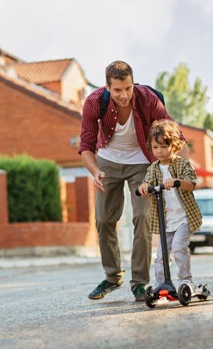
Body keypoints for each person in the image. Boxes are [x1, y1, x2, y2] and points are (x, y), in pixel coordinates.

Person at [79, 60, 188, 302]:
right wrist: (95, 171)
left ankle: (140, 282)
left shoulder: (147, 98)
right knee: (104, 220)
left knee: (141, 217)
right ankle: (112, 276)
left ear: (132, 83)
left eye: (127, 88)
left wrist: (182, 173)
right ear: (107, 87)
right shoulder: (94, 102)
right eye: (117, 90)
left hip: (141, 162)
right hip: (107, 161)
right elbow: (86, 146)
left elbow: (176, 133)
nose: (124, 95)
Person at [138, 120, 201, 289]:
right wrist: (144, 187)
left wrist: (177, 181)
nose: (159, 151)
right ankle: (161, 285)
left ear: (173, 145)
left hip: (184, 218)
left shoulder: (182, 164)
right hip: (166, 221)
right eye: (155, 147)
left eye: (163, 147)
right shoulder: (153, 168)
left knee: (179, 247)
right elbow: (147, 182)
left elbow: (191, 183)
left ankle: (186, 281)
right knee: (161, 256)